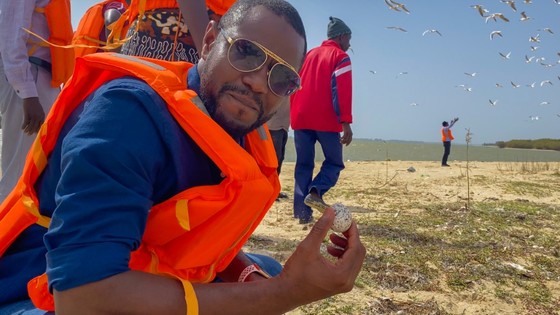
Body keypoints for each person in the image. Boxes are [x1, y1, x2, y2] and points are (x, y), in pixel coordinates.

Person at [0, 1, 366, 313]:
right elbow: (83, 298)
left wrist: (254, 280)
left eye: (281, 77)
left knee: (264, 267)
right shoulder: (128, 116)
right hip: (37, 289)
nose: (257, 81)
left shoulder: (232, 131)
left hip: (139, 268)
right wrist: (280, 294)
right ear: (209, 41)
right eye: (247, 51)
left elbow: (195, 243)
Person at [0, 0, 74, 203]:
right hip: (29, 79)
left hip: (42, 78)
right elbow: (10, 35)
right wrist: (28, 94)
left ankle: (21, 229)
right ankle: (7, 231)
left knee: (36, 169)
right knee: (17, 172)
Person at [290, 16, 354, 224]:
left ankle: (302, 214)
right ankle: (315, 192)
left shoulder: (309, 54)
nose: (350, 44)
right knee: (335, 162)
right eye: (349, 38)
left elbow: (295, 83)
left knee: (303, 165)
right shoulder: (340, 56)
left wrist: (294, 111)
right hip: (325, 119)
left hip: (300, 117)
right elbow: (341, 91)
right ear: (342, 36)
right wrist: (346, 123)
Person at [267, 100, 290, 200]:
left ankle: (274, 189)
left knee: (279, 158)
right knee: (273, 159)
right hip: (273, 124)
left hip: (283, 125)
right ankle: (269, 191)